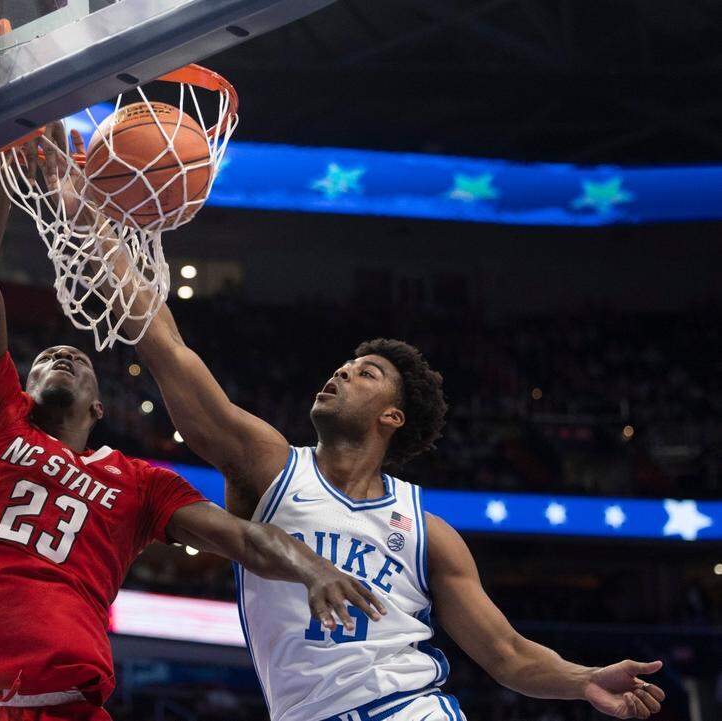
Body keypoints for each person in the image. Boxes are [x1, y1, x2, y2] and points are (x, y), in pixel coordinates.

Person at [102, 215, 667, 719]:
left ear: (392, 416)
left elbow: (508, 654)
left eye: (365, 373)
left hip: (408, 707)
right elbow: (167, 348)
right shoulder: (268, 467)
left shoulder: (429, 533)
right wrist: (95, 229)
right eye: (345, 366)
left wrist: (583, 679)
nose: (344, 373)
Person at [0, 132, 382, 721]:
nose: (61, 357)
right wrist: (8, 149)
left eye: (79, 360)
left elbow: (243, 538)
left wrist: (314, 568)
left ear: (98, 410)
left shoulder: (138, 482)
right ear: (21, 388)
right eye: (44, 361)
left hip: (73, 706)